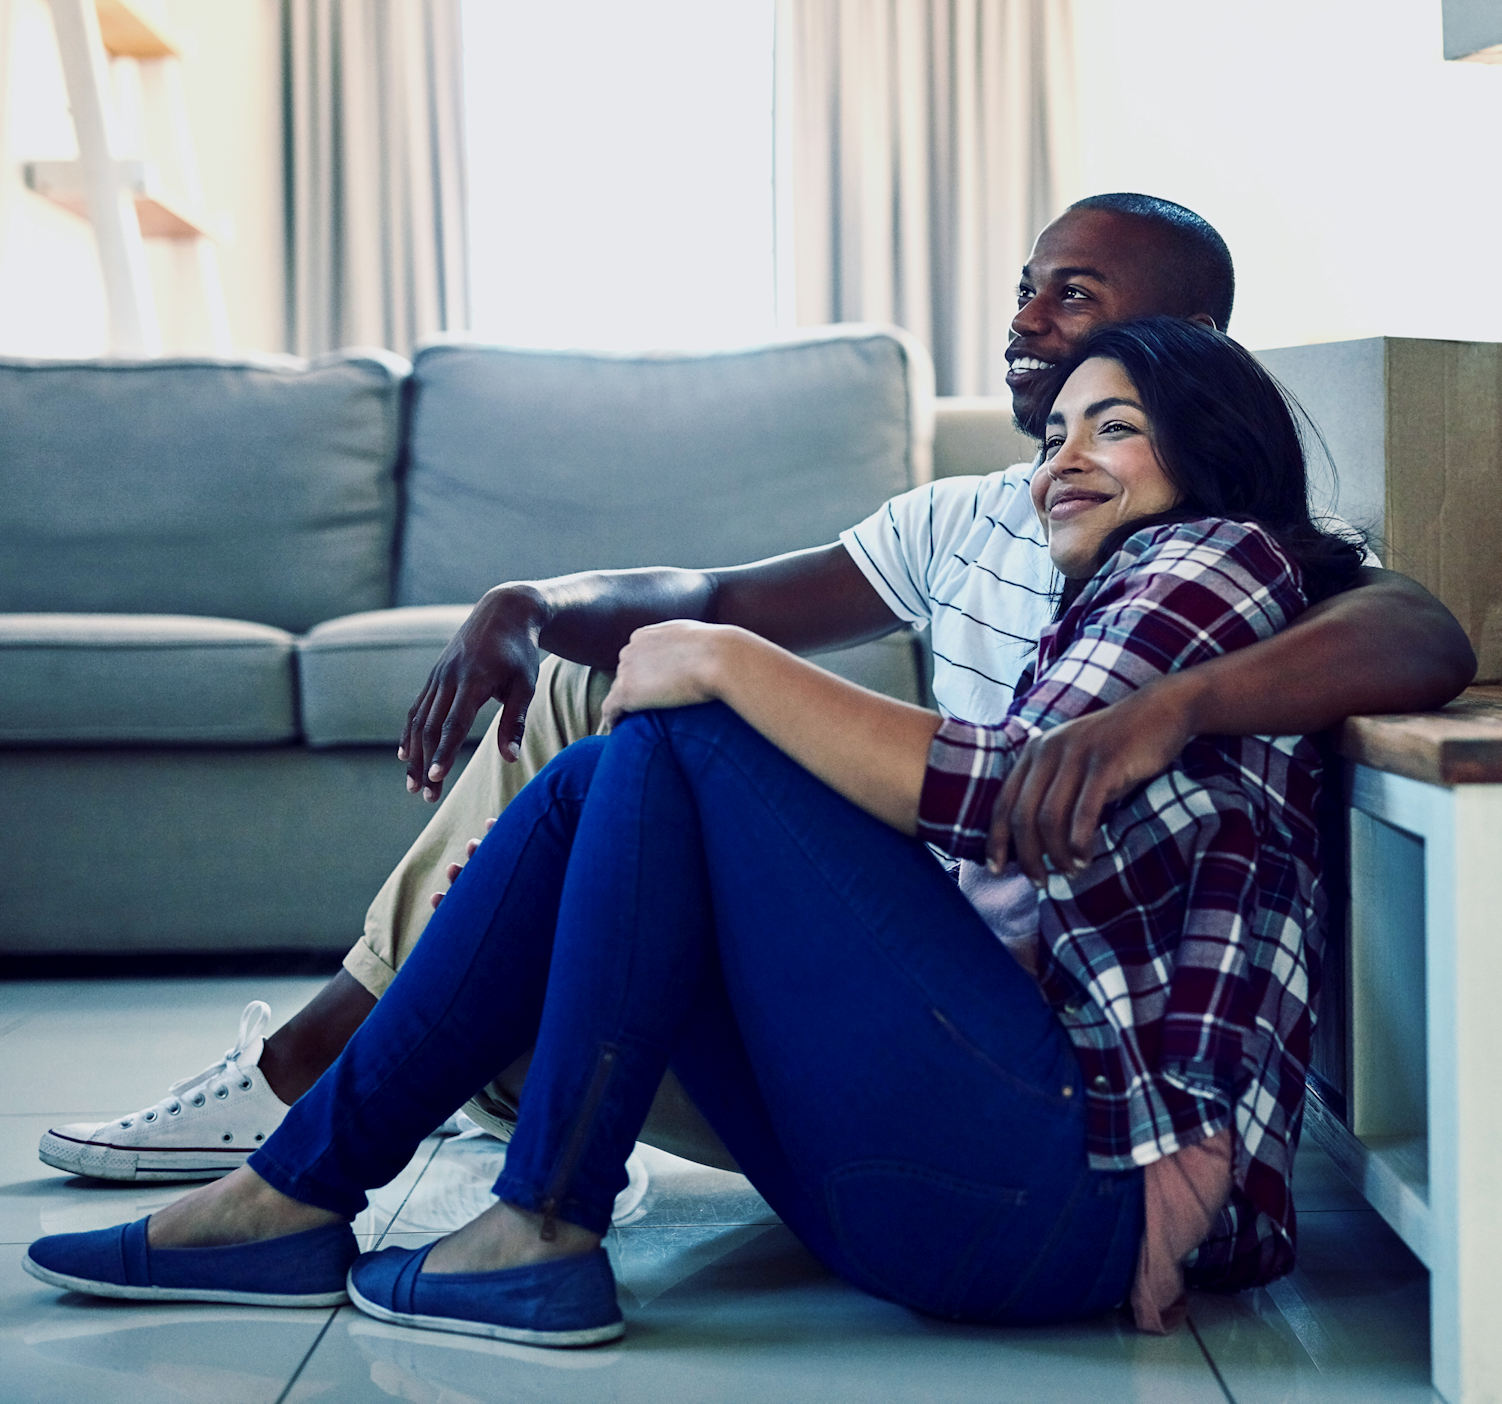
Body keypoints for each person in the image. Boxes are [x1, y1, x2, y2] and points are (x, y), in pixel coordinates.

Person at [38, 193, 1475, 1183]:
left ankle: (338, 1077)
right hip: (867, 951)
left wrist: (1168, 706)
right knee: (577, 698)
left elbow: (1418, 631)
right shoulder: (969, 515)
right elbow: (714, 600)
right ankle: (360, 1071)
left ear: (1186, 345)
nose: (1027, 315)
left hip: (967, 1026)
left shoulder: (1215, 550)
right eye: (1027, 287)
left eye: (1073, 295)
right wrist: (531, 602)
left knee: (636, 764)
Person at [26, 318, 1371, 1342]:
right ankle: (378, 1202)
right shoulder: (1115, 590)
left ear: (1204, 443)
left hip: (1077, 1205)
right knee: (635, 764)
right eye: (1052, 436)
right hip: (977, 1200)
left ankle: (427, 1205)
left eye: (1113, 427)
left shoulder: (1215, 559)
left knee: (682, 734)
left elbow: (1006, 801)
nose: (1060, 462)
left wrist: (726, 665)